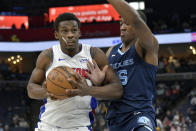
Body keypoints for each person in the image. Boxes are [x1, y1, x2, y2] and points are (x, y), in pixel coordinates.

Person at [70, 0, 159, 130]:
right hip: (115, 117)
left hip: (139, 114)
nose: (122, 27)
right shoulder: (111, 51)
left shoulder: (146, 46)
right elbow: (108, 89)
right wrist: (99, 82)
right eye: (121, 23)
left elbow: (136, 20)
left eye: (127, 23)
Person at [27, 13, 123, 131]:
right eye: (65, 31)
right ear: (56, 34)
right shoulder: (48, 56)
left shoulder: (94, 54)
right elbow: (31, 88)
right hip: (48, 126)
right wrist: (47, 92)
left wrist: (89, 90)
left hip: (80, 127)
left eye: (74, 30)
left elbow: (117, 90)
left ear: (79, 33)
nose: (70, 35)